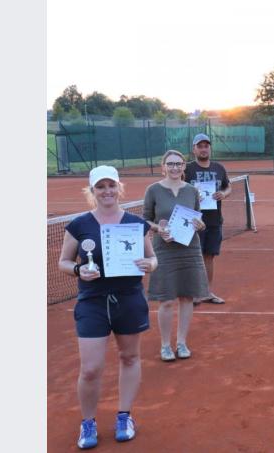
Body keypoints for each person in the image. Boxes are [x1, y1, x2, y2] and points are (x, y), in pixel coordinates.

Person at [58, 165, 157, 449]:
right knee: (90, 368)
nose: (107, 191)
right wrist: (78, 270)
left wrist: (150, 264)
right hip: (92, 303)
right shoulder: (79, 225)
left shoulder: (136, 224)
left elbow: (153, 259)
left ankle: (124, 416)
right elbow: (63, 262)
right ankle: (88, 422)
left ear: (119, 188)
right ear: (92, 191)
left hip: (129, 299)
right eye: (100, 187)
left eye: (111, 185)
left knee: (130, 357)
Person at [144, 150, 210, 361]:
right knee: (166, 300)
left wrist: (200, 225)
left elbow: (198, 218)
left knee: (187, 297)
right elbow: (145, 220)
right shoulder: (153, 190)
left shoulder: (192, 190)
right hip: (164, 249)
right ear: (163, 167)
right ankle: (165, 345)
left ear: (183, 167)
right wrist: (158, 229)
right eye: (171, 164)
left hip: (190, 249)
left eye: (179, 164)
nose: (175, 168)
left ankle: (181, 342)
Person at [184, 133, 231, 304]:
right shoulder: (187, 169)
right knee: (194, 257)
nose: (203, 149)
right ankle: (193, 293)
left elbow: (228, 187)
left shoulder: (219, 168)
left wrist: (223, 194)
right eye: (200, 146)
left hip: (214, 221)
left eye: (206, 146)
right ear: (194, 149)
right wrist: (191, 196)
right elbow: (176, 189)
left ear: (210, 148)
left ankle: (207, 292)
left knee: (209, 256)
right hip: (193, 221)